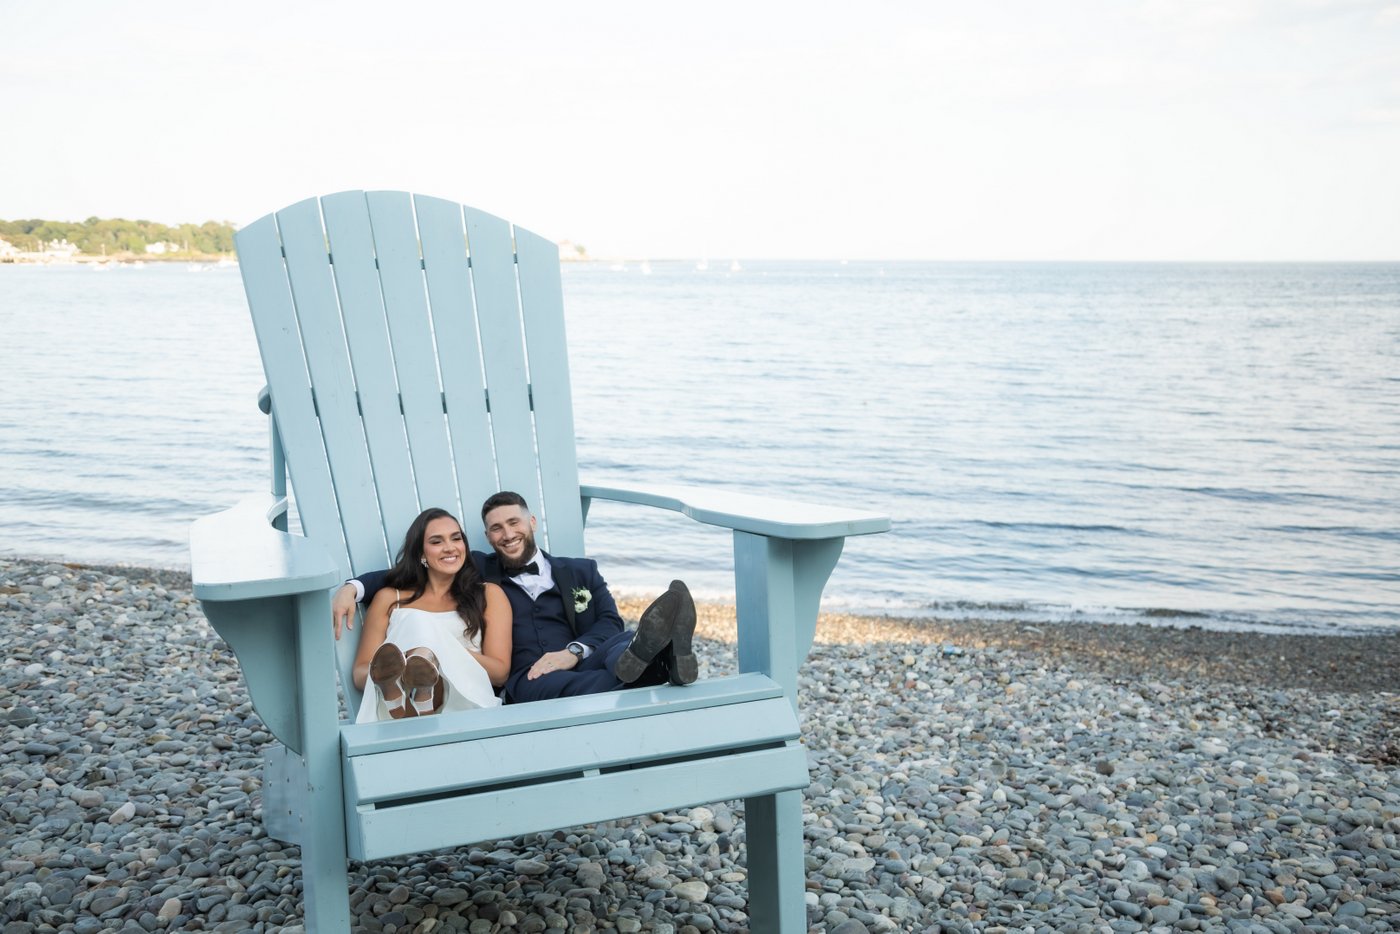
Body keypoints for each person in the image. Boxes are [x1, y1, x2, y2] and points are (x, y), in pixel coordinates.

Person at [334, 491, 697, 704]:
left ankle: (653, 656)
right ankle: (667, 664)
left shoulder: (581, 570)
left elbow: (608, 623)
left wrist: (571, 653)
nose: (507, 534)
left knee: (619, 641)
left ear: (532, 523)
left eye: (513, 523)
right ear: (488, 538)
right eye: (496, 529)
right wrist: (354, 586)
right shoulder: (478, 568)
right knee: (595, 679)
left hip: (582, 656)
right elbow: (412, 568)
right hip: (528, 676)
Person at [350, 507, 511, 721]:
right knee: (415, 620)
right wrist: (396, 670)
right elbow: (360, 674)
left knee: (419, 625)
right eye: (437, 542)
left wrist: (439, 651)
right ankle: (411, 689)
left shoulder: (488, 594)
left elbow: (499, 673)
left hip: (464, 705)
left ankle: (423, 675)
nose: (450, 548)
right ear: (421, 554)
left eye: (456, 539)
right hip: (391, 712)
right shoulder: (389, 598)